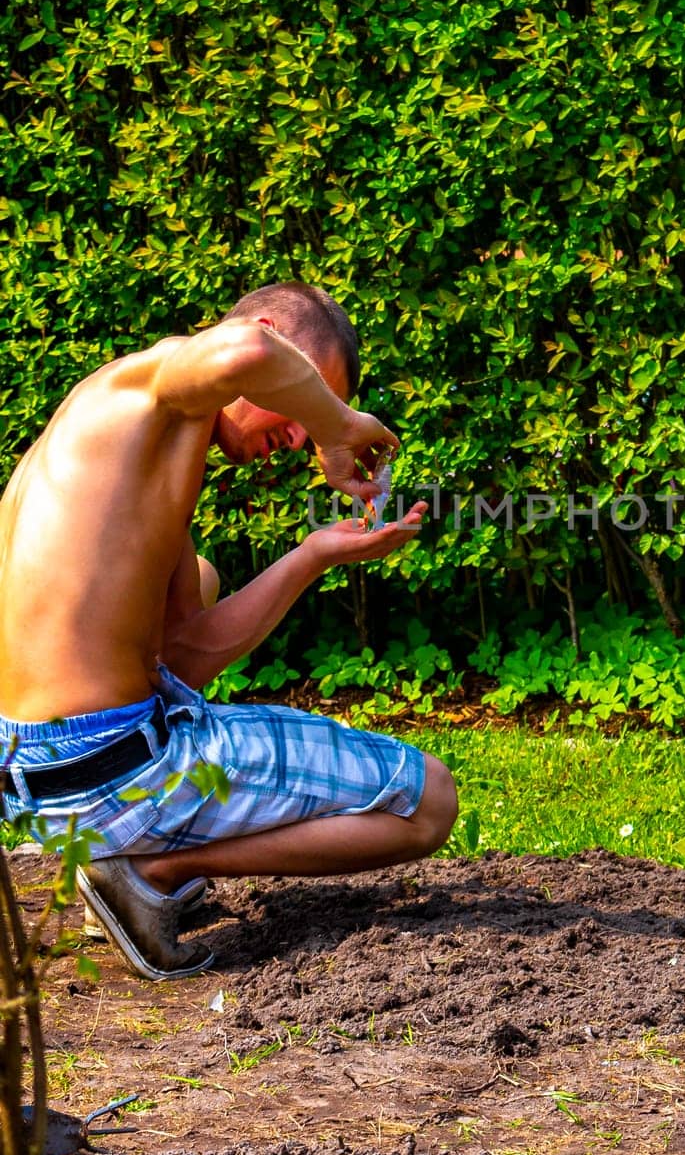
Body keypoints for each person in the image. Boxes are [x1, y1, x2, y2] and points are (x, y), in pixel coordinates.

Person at [0, 283, 458, 980]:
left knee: (205, 576)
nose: (299, 434)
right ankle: (151, 870)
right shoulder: (161, 377)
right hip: (108, 770)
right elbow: (245, 349)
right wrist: (340, 425)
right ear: (272, 335)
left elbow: (184, 658)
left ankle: (127, 853)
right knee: (427, 799)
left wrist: (314, 555)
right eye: (303, 392)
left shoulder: (130, 446)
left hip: (35, 777)